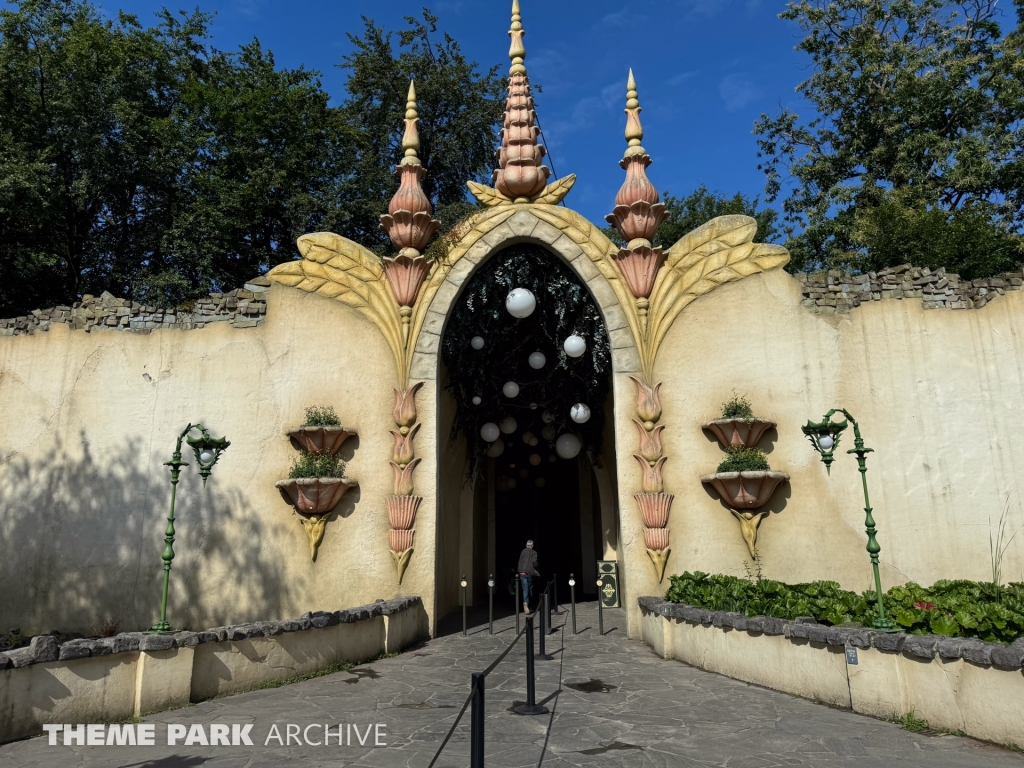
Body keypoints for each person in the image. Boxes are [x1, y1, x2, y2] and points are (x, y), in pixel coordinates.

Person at [517, 539, 540, 615]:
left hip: (522, 572)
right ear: (532, 546)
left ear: (526, 545)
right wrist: (536, 567)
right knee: (529, 588)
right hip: (529, 572)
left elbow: (520, 560)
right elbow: (535, 562)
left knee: (525, 588)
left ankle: (526, 603)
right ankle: (528, 604)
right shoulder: (534, 552)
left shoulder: (523, 551)